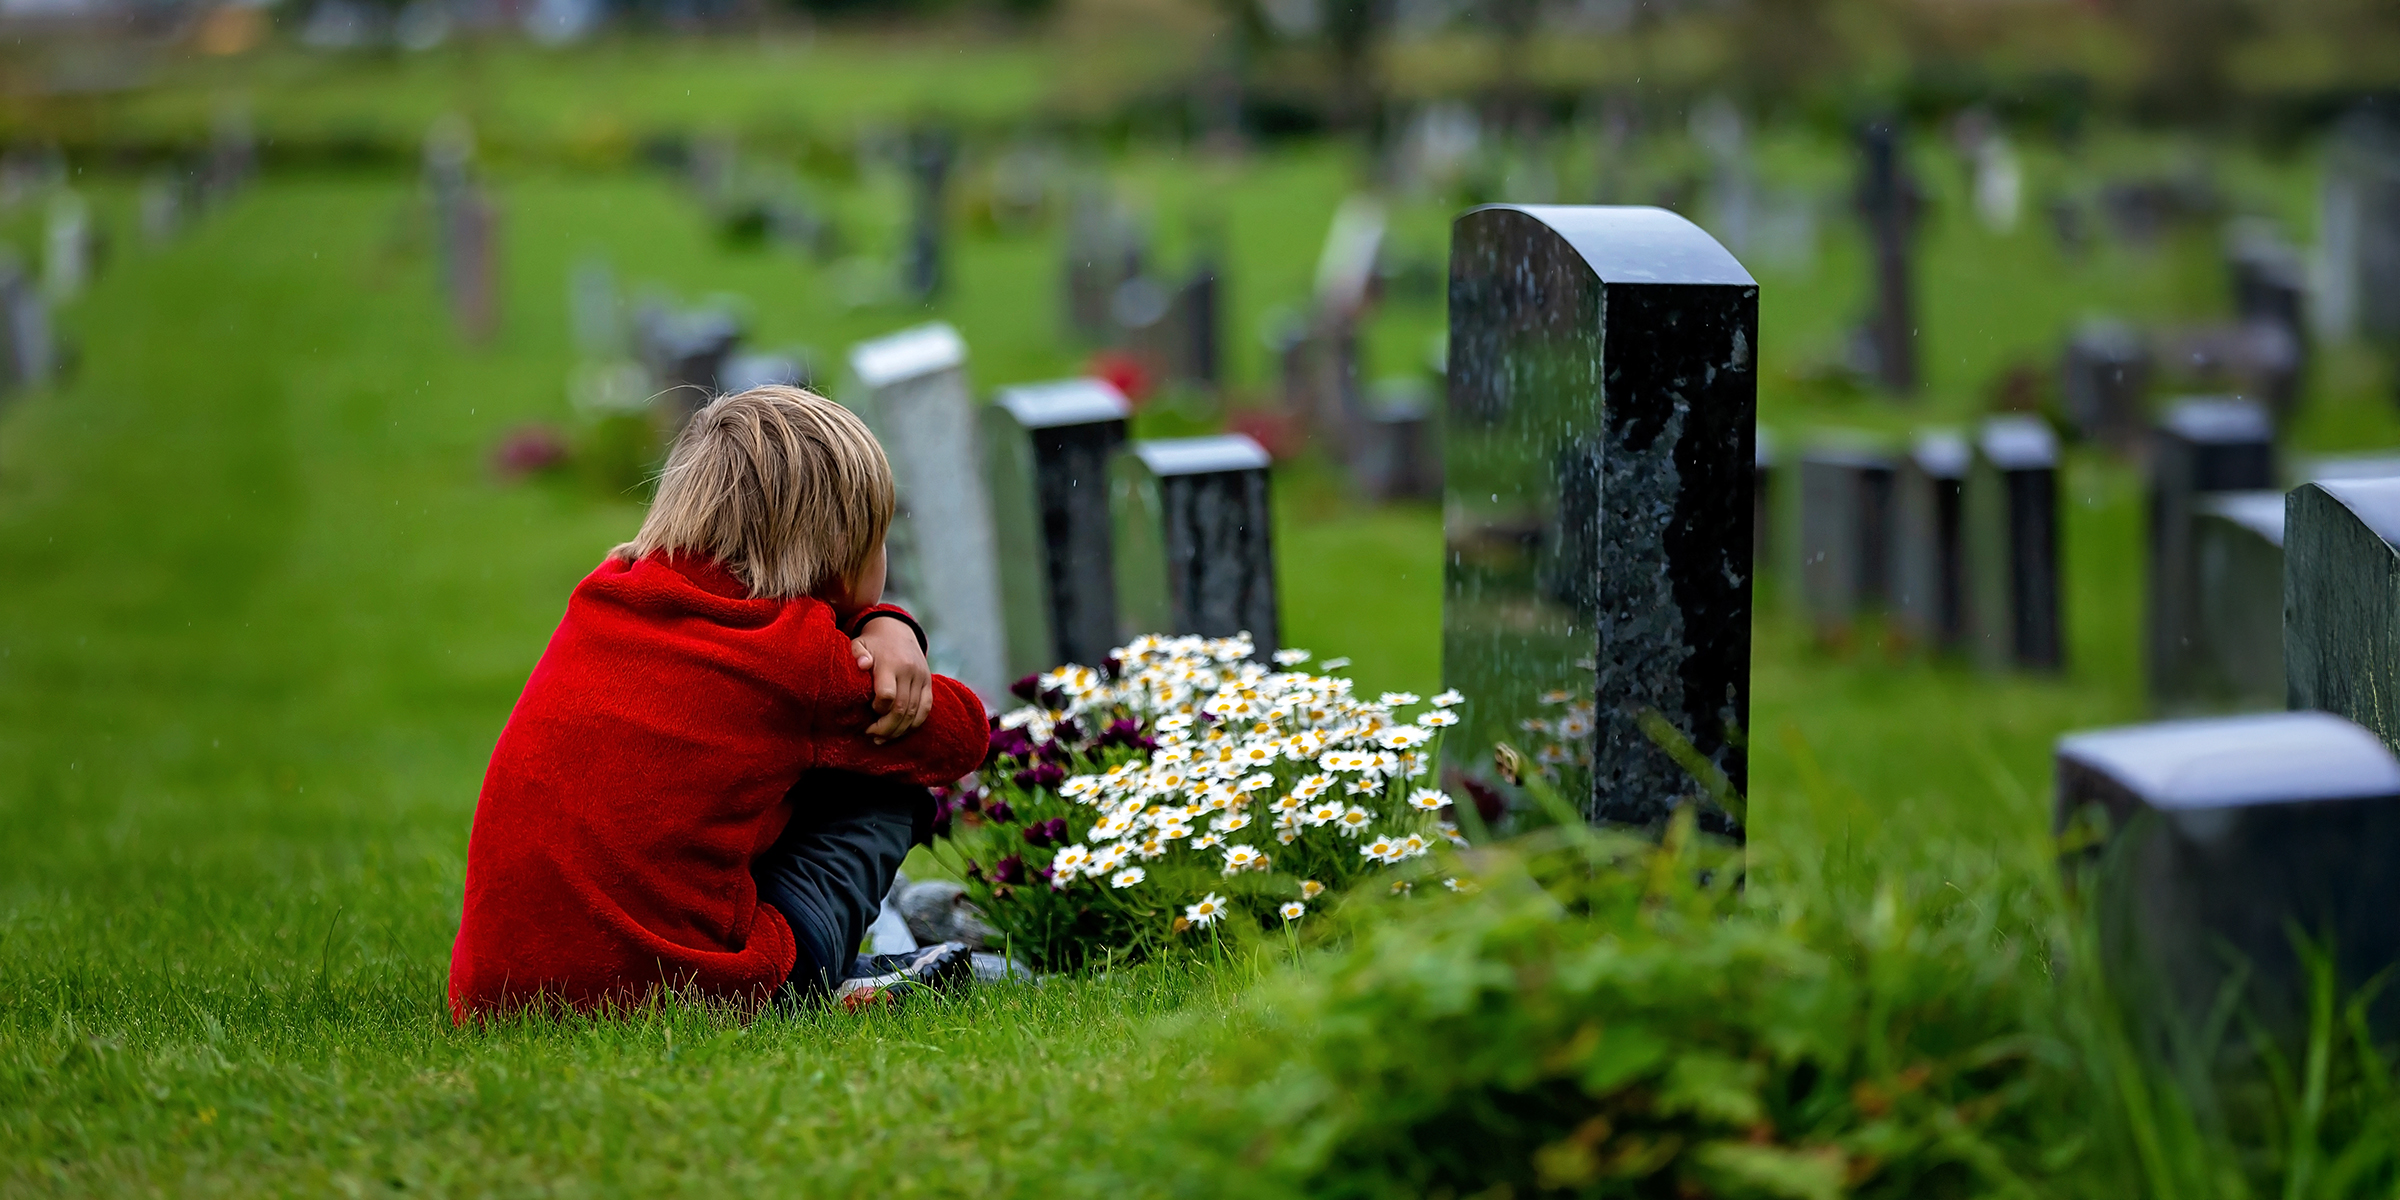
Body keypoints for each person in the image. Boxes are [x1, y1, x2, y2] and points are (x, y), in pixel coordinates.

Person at [448, 387, 989, 1022]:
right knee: (887, 788)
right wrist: (891, 623)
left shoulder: (608, 594)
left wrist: (876, 623)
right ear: (840, 561)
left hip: (495, 994)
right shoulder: (793, 658)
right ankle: (808, 985)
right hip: (694, 992)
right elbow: (961, 738)